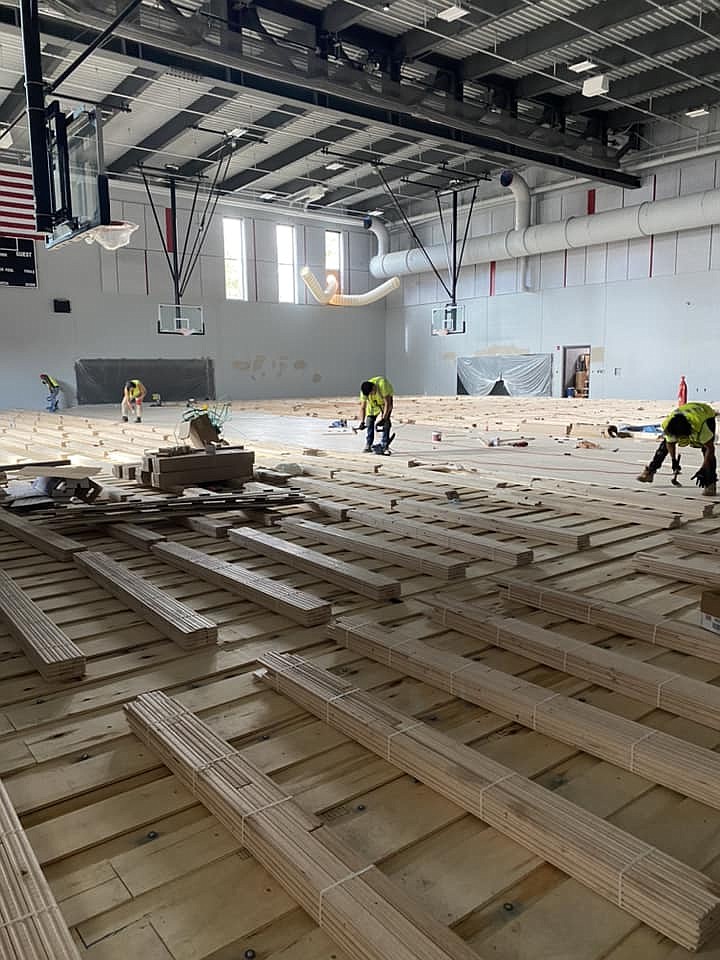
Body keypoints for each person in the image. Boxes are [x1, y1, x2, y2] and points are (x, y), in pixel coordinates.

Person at [638, 401, 717, 496]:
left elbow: (710, 449)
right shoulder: (668, 425)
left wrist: (703, 468)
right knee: (664, 446)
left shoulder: (701, 426)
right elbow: (670, 443)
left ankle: (710, 483)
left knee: (706, 450)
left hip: (705, 415)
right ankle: (650, 471)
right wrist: (674, 461)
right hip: (687, 413)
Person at [358, 376, 394, 454]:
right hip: (373, 405)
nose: (371, 394)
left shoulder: (382, 384)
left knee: (386, 422)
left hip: (385, 403)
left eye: (372, 393)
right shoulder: (364, 391)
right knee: (369, 421)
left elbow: (388, 403)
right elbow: (362, 407)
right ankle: (368, 444)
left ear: (374, 387)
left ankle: (384, 444)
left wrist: (384, 418)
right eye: (369, 394)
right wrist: (362, 422)